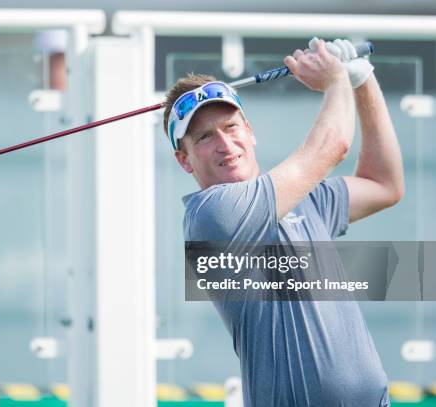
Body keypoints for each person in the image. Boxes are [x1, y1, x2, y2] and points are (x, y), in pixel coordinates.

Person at [164, 38, 404, 406]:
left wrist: (362, 80)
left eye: (231, 127)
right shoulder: (212, 215)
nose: (226, 144)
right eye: (205, 137)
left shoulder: (305, 196)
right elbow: (333, 145)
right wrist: (336, 80)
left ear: (250, 131)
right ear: (185, 161)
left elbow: (384, 184)